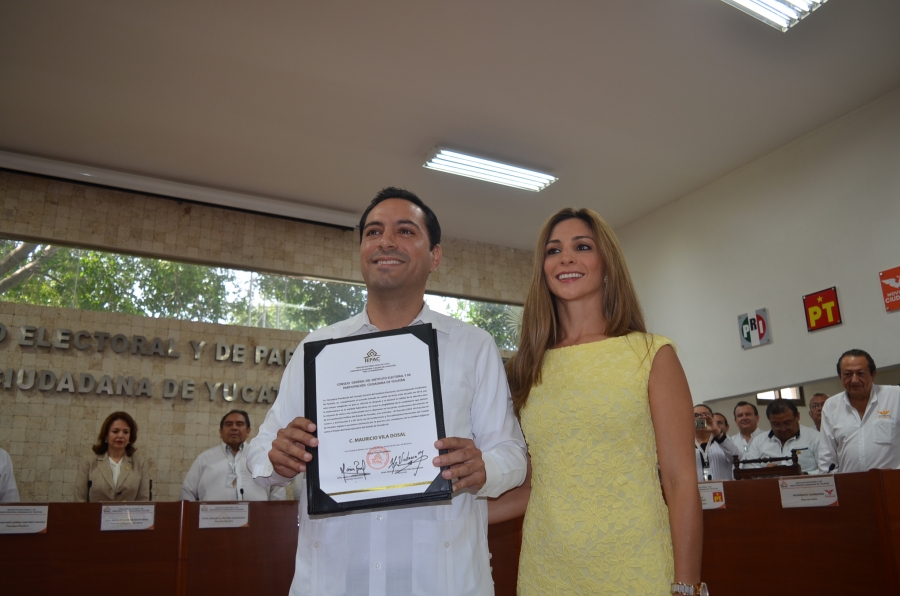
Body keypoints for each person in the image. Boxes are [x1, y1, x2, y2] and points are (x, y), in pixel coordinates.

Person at [246, 188, 527, 596]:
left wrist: (484, 467)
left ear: (435, 256)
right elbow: (261, 450)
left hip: (441, 582)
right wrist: (278, 458)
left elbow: (512, 454)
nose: (386, 242)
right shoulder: (317, 349)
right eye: (373, 232)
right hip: (334, 581)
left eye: (405, 231)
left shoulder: (473, 346)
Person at [489, 208, 706, 595]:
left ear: (607, 264)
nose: (566, 258)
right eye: (554, 250)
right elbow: (535, 485)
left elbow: (680, 481)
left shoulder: (652, 355)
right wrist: (443, 510)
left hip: (637, 564)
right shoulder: (525, 368)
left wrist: (687, 586)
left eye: (582, 247)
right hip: (548, 570)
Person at [818, 349, 900, 473]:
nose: (854, 380)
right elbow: (826, 457)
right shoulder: (831, 406)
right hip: (849, 483)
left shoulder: (895, 396)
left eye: (861, 373)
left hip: (893, 482)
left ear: (873, 375)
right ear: (840, 377)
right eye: (847, 374)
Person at [181, 410, 285, 501]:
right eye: (229, 424)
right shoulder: (204, 458)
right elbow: (187, 492)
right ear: (221, 432)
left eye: (239, 424)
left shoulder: (262, 457)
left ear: (248, 431)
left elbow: (277, 493)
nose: (234, 428)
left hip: (257, 517)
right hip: (213, 517)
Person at [75, 411, 149, 502]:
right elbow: (79, 499)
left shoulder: (140, 463)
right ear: (106, 435)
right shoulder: (89, 461)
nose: (121, 436)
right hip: (95, 511)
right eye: (115, 431)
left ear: (130, 437)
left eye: (126, 432)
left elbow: (143, 501)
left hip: (128, 512)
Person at [745, 400, 820, 474]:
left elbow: (825, 469)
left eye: (787, 423)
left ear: (798, 416)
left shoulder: (815, 438)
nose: (783, 429)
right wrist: (765, 472)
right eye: (776, 424)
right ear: (770, 421)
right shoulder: (758, 441)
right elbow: (748, 470)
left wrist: (804, 475)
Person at [694, 404, 740, 482]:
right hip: (696, 489)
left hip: (723, 488)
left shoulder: (723, 439)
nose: (700, 417)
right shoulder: (685, 443)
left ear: (712, 418)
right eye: (695, 415)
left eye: (705, 414)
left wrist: (717, 431)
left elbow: (737, 458)